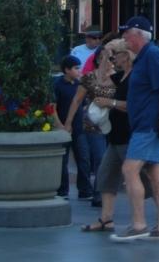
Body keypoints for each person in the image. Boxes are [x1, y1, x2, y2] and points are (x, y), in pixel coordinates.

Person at [111, 17, 159, 242]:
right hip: (149, 124)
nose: (123, 37)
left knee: (130, 170)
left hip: (150, 125)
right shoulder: (144, 57)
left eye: (126, 33)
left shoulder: (152, 55)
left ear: (138, 35)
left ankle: (139, 224)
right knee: (155, 174)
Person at [81, 38, 133, 233]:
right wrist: (104, 56)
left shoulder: (135, 77)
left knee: (144, 179)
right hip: (115, 134)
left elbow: (133, 106)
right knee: (106, 176)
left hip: (130, 134)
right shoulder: (119, 76)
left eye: (114, 56)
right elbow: (101, 82)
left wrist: (111, 103)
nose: (112, 60)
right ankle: (106, 219)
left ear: (125, 56)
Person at [66, 43, 115, 208]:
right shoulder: (89, 77)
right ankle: (99, 194)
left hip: (116, 123)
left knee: (113, 160)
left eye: (111, 58)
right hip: (94, 124)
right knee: (100, 158)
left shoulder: (119, 77)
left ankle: (105, 191)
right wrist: (68, 123)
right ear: (97, 60)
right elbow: (76, 100)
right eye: (103, 58)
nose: (108, 61)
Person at [54, 56, 86, 199]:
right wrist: (60, 125)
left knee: (83, 159)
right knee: (63, 161)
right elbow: (52, 107)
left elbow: (83, 106)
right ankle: (63, 191)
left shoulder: (80, 85)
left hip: (79, 128)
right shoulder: (57, 85)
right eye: (76, 68)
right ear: (67, 70)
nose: (79, 71)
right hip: (62, 127)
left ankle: (85, 190)